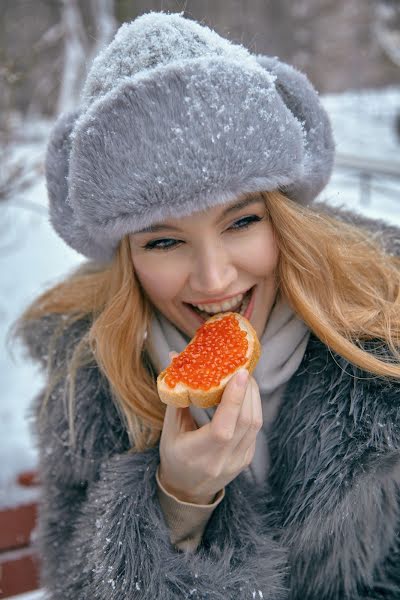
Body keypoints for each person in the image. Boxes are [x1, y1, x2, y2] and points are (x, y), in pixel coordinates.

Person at [13, 11, 400, 600]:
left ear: (285, 220)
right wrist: (179, 501)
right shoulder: (85, 385)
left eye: (242, 221)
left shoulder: (384, 328)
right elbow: (79, 584)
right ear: (126, 260)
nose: (215, 278)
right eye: (165, 241)